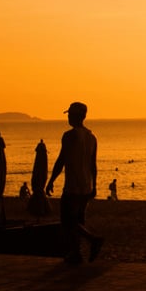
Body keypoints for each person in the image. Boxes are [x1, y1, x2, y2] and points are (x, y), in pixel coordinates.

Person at [47, 101, 104, 264]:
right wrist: (95, 185)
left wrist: (51, 180)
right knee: (79, 220)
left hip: (73, 185)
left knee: (68, 221)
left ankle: (92, 240)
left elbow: (61, 160)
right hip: (86, 185)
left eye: (71, 115)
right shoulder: (92, 137)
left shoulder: (69, 136)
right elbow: (93, 164)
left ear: (77, 116)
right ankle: (76, 253)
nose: (69, 118)